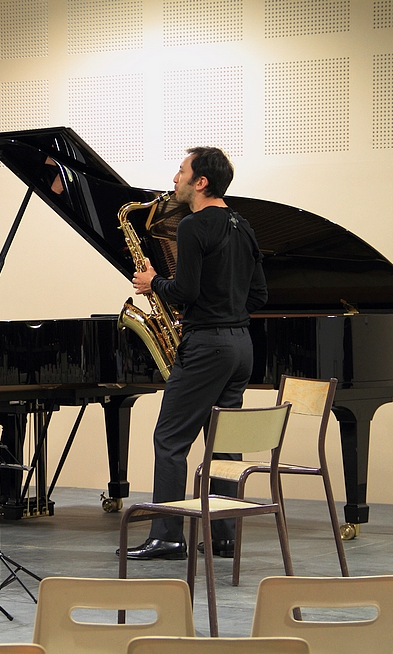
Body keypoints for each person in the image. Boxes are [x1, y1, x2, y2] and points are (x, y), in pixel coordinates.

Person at [124, 147, 267, 561]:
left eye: (181, 171)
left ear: (200, 182)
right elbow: (259, 293)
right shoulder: (244, 226)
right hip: (242, 346)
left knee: (170, 439)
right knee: (223, 444)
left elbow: (183, 292)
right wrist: (228, 308)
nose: (175, 178)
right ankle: (223, 536)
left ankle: (168, 535)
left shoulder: (191, 226)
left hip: (206, 345)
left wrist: (153, 283)